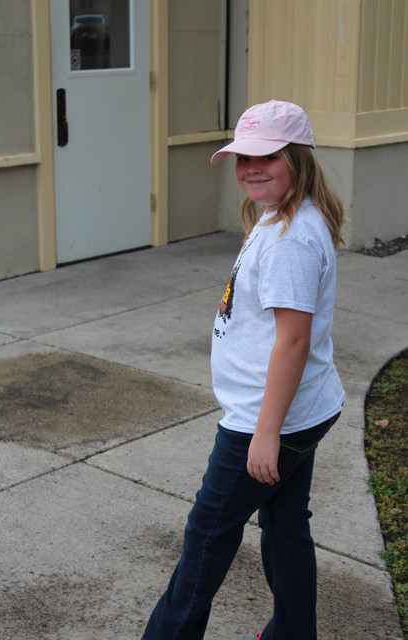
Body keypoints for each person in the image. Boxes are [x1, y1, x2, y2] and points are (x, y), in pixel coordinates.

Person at [141, 100, 345, 640]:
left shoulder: (290, 240)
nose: (251, 167)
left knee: (207, 534)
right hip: (302, 409)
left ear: (297, 158)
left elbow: (293, 341)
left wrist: (265, 434)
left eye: (267, 156)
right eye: (242, 158)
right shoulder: (284, 216)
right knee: (284, 528)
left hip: (268, 417)